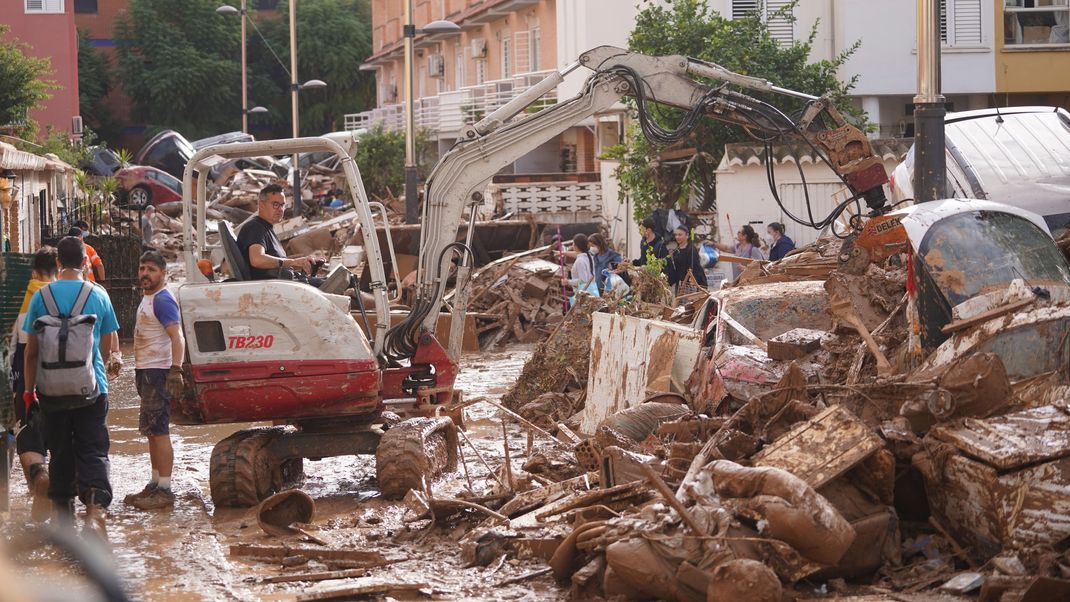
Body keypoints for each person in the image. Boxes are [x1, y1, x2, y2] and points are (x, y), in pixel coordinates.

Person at [22, 236, 121, 535]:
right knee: (93, 449)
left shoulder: (42, 297)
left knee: (60, 451)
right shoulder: (99, 295)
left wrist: (29, 392)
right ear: (84, 263)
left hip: (50, 391)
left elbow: (31, 352)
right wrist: (93, 371)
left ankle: (63, 521)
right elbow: (106, 347)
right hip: (92, 389)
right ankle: (94, 509)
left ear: (57, 263)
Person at [124, 251, 185, 511]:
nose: (145, 274)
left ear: (163, 273)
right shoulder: (148, 298)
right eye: (142, 269)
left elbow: (177, 336)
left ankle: (165, 489)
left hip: (159, 372)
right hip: (146, 371)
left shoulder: (162, 300)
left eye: (151, 269)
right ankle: (154, 483)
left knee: (160, 431)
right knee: (151, 430)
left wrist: (176, 370)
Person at [11, 246, 58, 521]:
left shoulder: (19, 295)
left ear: (33, 270)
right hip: (65, 382)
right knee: (60, 438)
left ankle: (38, 478)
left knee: (27, 436)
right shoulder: (65, 295)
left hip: (25, 381)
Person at [237, 183, 319, 282]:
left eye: (282, 205)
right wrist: (293, 262)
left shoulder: (267, 229)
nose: (280, 209)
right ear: (261, 205)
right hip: (270, 289)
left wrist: (303, 262)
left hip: (282, 285)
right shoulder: (255, 227)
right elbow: (257, 259)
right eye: (275, 204)